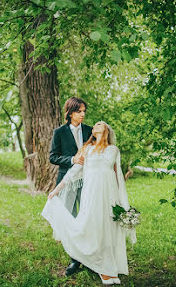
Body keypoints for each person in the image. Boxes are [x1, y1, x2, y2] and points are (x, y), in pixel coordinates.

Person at [42, 121, 136, 285]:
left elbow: (117, 175)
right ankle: (99, 264)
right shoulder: (87, 149)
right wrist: (56, 190)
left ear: (106, 130)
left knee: (108, 225)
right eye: (95, 124)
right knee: (93, 224)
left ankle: (109, 265)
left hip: (109, 192)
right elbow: (74, 172)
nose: (96, 125)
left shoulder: (114, 150)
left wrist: (122, 200)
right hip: (92, 193)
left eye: (100, 124)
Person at [49, 96, 93, 275]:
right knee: (71, 219)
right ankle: (75, 260)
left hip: (88, 181)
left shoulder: (90, 131)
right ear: (70, 113)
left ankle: (90, 259)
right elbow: (53, 157)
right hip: (66, 180)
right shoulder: (59, 132)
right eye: (79, 111)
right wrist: (72, 160)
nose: (82, 114)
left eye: (84, 111)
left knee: (87, 218)